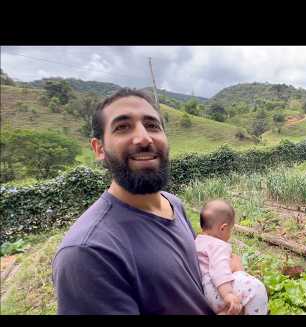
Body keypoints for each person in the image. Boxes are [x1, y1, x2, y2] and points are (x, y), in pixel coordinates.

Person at [52, 88, 215, 315]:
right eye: (122, 127)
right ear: (99, 149)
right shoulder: (88, 252)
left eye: (152, 125)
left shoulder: (173, 204)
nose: (144, 138)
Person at [195, 199, 269, 315]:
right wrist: (228, 294)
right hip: (217, 291)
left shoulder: (198, 241)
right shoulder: (218, 245)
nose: (230, 234)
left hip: (205, 293)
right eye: (230, 230)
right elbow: (219, 270)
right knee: (257, 289)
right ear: (223, 228)